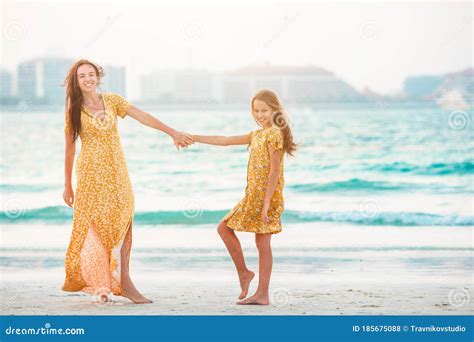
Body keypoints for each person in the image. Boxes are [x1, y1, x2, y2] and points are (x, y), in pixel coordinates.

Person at [62, 59, 193, 304]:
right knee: (95, 226)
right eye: (82, 76)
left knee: (123, 218)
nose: (88, 79)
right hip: (90, 174)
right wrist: (67, 185)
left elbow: (143, 117)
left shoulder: (112, 100)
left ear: (97, 77)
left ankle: (122, 281)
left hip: (117, 171)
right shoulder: (74, 109)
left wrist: (172, 132)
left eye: (91, 74)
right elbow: (69, 150)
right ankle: (105, 285)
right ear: (76, 82)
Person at [190, 89, 297, 305]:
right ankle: (245, 274)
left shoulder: (275, 134)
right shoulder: (256, 135)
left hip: (267, 197)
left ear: (275, 110)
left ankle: (262, 293)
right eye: (256, 111)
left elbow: (275, 171)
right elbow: (224, 140)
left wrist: (267, 203)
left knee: (262, 241)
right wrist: (194, 137)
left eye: (264, 110)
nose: (260, 115)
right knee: (224, 228)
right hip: (252, 196)